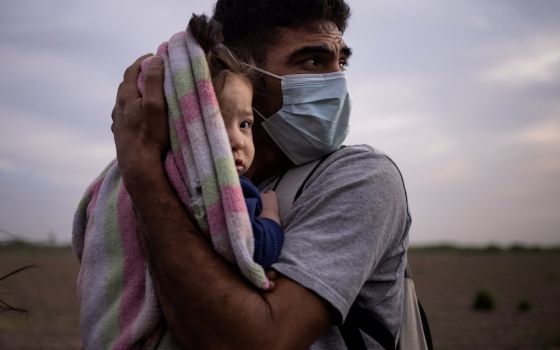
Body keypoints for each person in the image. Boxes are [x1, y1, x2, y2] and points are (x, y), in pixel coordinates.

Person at [111, 0, 410, 348]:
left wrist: (143, 170)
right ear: (245, 74)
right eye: (313, 61)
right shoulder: (204, 183)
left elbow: (259, 341)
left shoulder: (362, 176)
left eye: (341, 61)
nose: (337, 82)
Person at [190, 15, 284, 269]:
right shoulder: (234, 190)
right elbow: (258, 249)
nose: (237, 141)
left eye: (245, 124)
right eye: (217, 124)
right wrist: (271, 216)